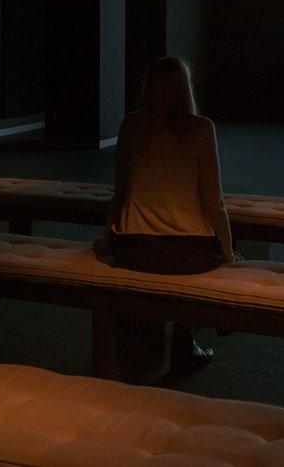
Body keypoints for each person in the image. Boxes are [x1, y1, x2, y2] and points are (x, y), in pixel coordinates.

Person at [96, 56, 236, 370]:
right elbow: (214, 204)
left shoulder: (131, 125)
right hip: (187, 253)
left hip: (133, 248)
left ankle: (149, 349)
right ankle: (184, 344)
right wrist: (228, 253)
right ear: (185, 89)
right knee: (211, 254)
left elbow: (120, 193)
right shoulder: (201, 129)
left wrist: (106, 240)